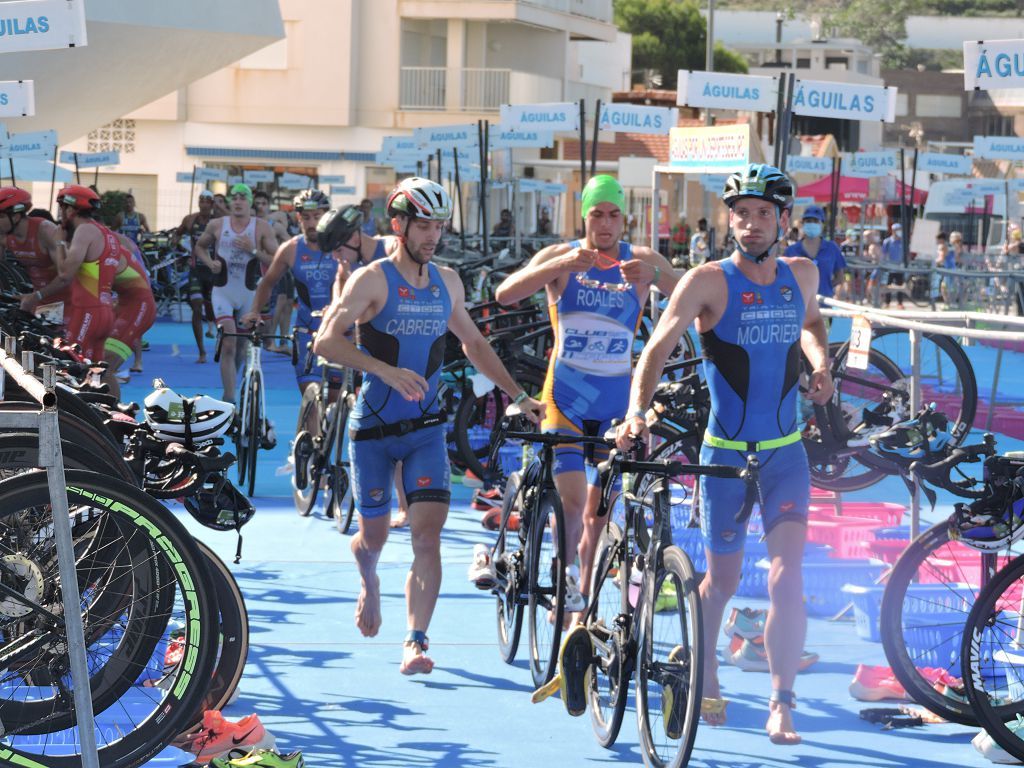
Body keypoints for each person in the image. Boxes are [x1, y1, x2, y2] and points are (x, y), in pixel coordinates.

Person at [615, 163, 833, 746]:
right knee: (724, 580)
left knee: (789, 578)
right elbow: (655, 351)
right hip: (725, 461)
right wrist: (637, 412)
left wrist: (821, 363)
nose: (753, 223)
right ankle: (706, 665)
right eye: (743, 213)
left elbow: (812, 324)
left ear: (782, 220)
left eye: (765, 213)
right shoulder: (707, 281)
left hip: (786, 454)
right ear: (729, 218)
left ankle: (782, 701)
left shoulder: (803, 274)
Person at [312, 177, 544, 675]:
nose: (432, 236)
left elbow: (476, 346)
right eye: (423, 225)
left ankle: (415, 640)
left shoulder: (448, 282)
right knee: (372, 538)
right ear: (398, 225)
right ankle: (369, 578)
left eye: (438, 226)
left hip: (425, 431)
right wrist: (386, 371)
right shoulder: (371, 279)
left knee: (426, 536)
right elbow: (326, 343)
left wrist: (520, 395)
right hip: (372, 430)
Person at [491, 174, 679, 614]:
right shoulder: (563, 256)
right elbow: (505, 294)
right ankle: (566, 574)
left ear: (625, 218)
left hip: (616, 403)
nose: (606, 224)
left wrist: (655, 276)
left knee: (599, 514)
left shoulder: (640, 260)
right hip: (566, 399)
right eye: (597, 214)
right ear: (585, 216)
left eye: (614, 215)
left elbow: (700, 291)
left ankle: (582, 596)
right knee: (574, 502)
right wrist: (555, 269)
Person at [193, 183, 279, 403]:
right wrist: (209, 262)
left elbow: (277, 260)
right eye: (235, 197)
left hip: (249, 294)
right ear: (231, 202)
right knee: (229, 342)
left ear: (250, 202)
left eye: (243, 197)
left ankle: (234, 381)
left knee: (241, 346)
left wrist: (252, 250)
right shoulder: (217, 225)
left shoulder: (261, 227)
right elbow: (200, 247)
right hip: (223, 291)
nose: (239, 201)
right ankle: (229, 397)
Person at [18, 185, 120, 360]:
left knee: (71, 365)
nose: (60, 214)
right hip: (105, 310)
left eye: (62, 208)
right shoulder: (105, 232)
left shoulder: (84, 230)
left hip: (87, 310)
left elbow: (65, 274)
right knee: (97, 372)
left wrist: (59, 243)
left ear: (71, 209)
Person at [102, 236, 156, 398]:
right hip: (125, 296)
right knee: (100, 364)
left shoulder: (119, 243)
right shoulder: (103, 239)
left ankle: (137, 361)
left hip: (137, 299)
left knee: (106, 366)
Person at [0, 188, 68, 314]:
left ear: (15, 216)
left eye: (1, 216)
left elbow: (66, 276)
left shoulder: (45, 230)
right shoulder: (4, 236)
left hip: (68, 300)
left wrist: (36, 296)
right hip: (41, 300)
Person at [176, 190, 219, 361]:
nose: (204, 205)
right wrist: (183, 251)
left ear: (212, 204)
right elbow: (177, 235)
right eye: (201, 201)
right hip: (196, 271)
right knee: (196, 306)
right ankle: (201, 351)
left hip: (214, 271)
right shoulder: (190, 220)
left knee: (214, 309)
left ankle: (219, 342)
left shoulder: (218, 222)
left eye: (208, 202)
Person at [784, 205, 846, 300]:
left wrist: (826, 288)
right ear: (803, 223)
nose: (812, 224)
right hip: (798, 305)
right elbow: (783, 279)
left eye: (816, 221)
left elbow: (840, 277)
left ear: (822, 224)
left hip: (824, 303)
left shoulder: (832, 248)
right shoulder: (791, 251)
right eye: (808, 221)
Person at [881, 222, 906, 309]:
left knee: (900, 286)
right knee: (888, 285)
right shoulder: (887, 242)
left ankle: (900, 303)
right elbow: (883, 254)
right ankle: (887, 302)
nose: (899, 232)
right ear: (893, 231)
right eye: (897, 230)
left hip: (900, 268)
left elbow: (907, 254)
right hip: (889, 267)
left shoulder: (903, 242)